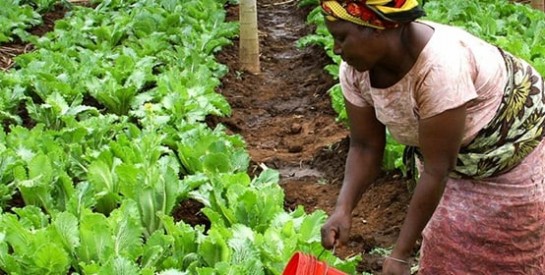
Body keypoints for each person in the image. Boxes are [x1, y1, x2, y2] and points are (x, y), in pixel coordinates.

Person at [318, 0, 545, 274]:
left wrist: (401, 254)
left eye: (341, 38)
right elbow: (365, 146)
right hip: (449, 155)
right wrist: (343, 208)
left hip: (509, 148)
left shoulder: (439, 65)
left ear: (376, 28)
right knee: (446, 245)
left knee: (512, 249)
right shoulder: (355, 70)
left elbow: (437, 168)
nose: (336, 49)